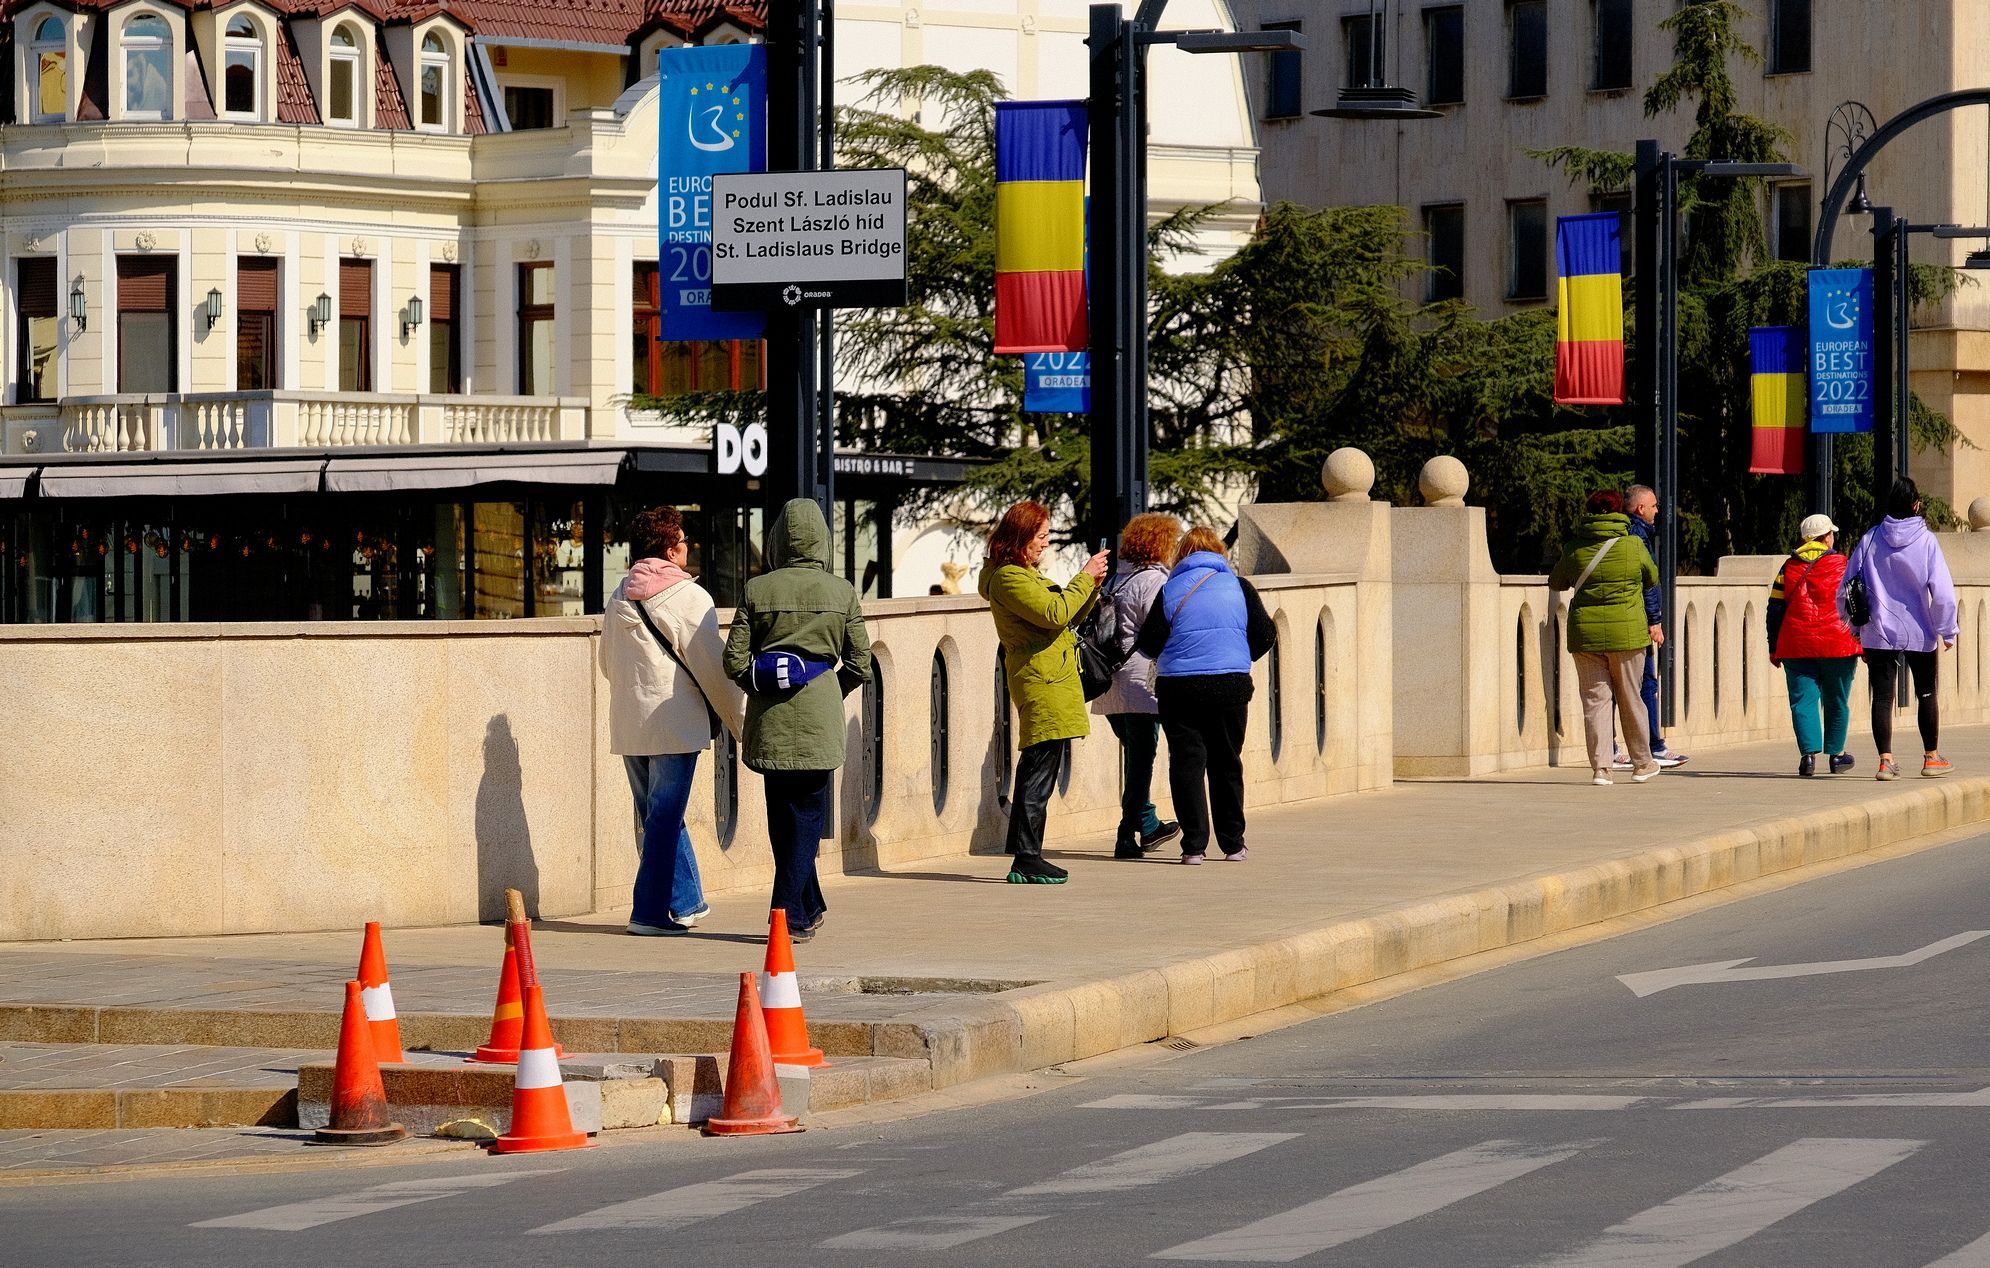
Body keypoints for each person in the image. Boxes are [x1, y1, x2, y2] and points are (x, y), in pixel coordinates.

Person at [723, 498, 873, 940]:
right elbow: (860, 662)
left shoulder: (756, 590)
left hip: (770, 721)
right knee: (807, 815)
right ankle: (785, 911)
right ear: (823, 541)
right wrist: (828, 689)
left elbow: (734, 661)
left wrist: (764, 688)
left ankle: (808, 906)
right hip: (819, 721)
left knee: (782, 817)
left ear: (775, 541)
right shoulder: (842, 592)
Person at [600, 507, 745, 935]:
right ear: (669, 549)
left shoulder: (619, 596)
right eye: (683, 542)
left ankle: (686, 901)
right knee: (664, 817)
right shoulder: (688, 598)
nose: (687, 548)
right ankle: (646, 913)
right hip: (674, 723)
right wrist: (739, 722)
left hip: (630, 723)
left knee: (659, 815)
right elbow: (712, 669)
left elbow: (608, 664)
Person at [979, 501, 1109, 884]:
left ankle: (1024, 850)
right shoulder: (1008, 578)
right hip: (1042, 681)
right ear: (1019, 538)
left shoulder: (1023, 574)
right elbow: (1054, 613)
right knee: (1038, 768)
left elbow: (1064, 617)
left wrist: (1092, 586)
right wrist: (1084, 576)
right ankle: (1027, 855)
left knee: (1041, 765)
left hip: (1052, 678)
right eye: (1040, 536)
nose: (1045, 543)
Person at [1134, 526, 1274, 863]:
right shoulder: (1240, 588)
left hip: (1179, 689)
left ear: (1182, 555)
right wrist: (1236, 656)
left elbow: (1149, 644)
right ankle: (1233, 844)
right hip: (1230, 686)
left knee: (1187, 765)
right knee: (1226, 763)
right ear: (1219, 554)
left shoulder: (1170, 590)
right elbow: (1265, 635)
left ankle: (1194, 846)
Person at [1843, 477, 1958, 780]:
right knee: (1927, 692)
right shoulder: (1927, 541)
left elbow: (1847, 588)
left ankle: (1885, 761)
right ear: (1916, 505)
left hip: (1877, 630)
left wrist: (1855, 626)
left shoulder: (1870, 539)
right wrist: (1947, 629)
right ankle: (1931, 758)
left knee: (1882, 697)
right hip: (1919, 629)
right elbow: (1943, 593)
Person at [1549, 490, 1662, 786]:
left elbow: (1556, 582)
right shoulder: (1634, 545)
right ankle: (1642, 763)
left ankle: (1602, 768)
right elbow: (1652, 576)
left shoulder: (1574, 547)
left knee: (1595, 701)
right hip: (1627, 635)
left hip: (1585, 636)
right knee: (1630, 697)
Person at [1090, 513, 1183, 860]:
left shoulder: (1117, 578)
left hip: (1110, 681)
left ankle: (1146, 823)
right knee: (1142, 759)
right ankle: (1126, 836)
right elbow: (1159, 628)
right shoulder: (1154, 582)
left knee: (1136, 756)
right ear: (1159, 543)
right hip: (1140, 681)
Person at [1766, 514, 1861, 778]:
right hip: (1838, 643)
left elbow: (1774, 609)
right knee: (1837, 698)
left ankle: (1807, 757)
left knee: (1802, 701)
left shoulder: (1787, 568)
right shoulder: (1843, 564)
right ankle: (1837, 755)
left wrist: (1773, 646)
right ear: (1826, 537)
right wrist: (1864, 641)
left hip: (1796, 643)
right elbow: (1858, 603)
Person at [1613, 484, 1688, 770]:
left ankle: (1630, 747)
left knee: (1611, 689)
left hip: (1625, 622)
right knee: (1644, 683)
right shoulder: (1636, 537)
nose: (1658, 510)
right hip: (1635, 623)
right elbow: (1646, 583)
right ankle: (1651, 746)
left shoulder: (1632, 534)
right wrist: (1654, 620)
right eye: (1654, 505)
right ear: (1640, 509)